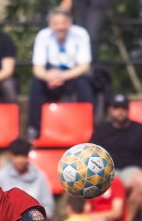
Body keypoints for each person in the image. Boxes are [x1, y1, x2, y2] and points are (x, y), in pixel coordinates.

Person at [89, 93, 142, 219]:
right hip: (106, 172)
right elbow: (89, 154)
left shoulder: (141, 129)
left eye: (123, 108)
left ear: (128, 109)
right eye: (116, 108)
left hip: (131, 170)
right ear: (110, 109)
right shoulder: (101, 131)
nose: (120, 111)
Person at [27, 7, 94, 140]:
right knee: (35, 85)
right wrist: (49, 77)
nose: (60, 27)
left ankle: (87, 128)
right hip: (50, 77)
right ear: (51, 24)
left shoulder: (80, 34)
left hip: (73, 75)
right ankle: (35, 129)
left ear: (69, 23)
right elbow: (37, 69)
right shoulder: (43, 35)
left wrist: (62, 76)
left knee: (85, 84)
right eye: (56, 23)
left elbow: (84, 66)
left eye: (63, 23)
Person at [0, 138, 55, 213]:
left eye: (23, 155)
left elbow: (48, 207)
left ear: (28, 155)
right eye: (16, 156)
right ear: (11, 156)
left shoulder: (40, 176)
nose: (19, 160)